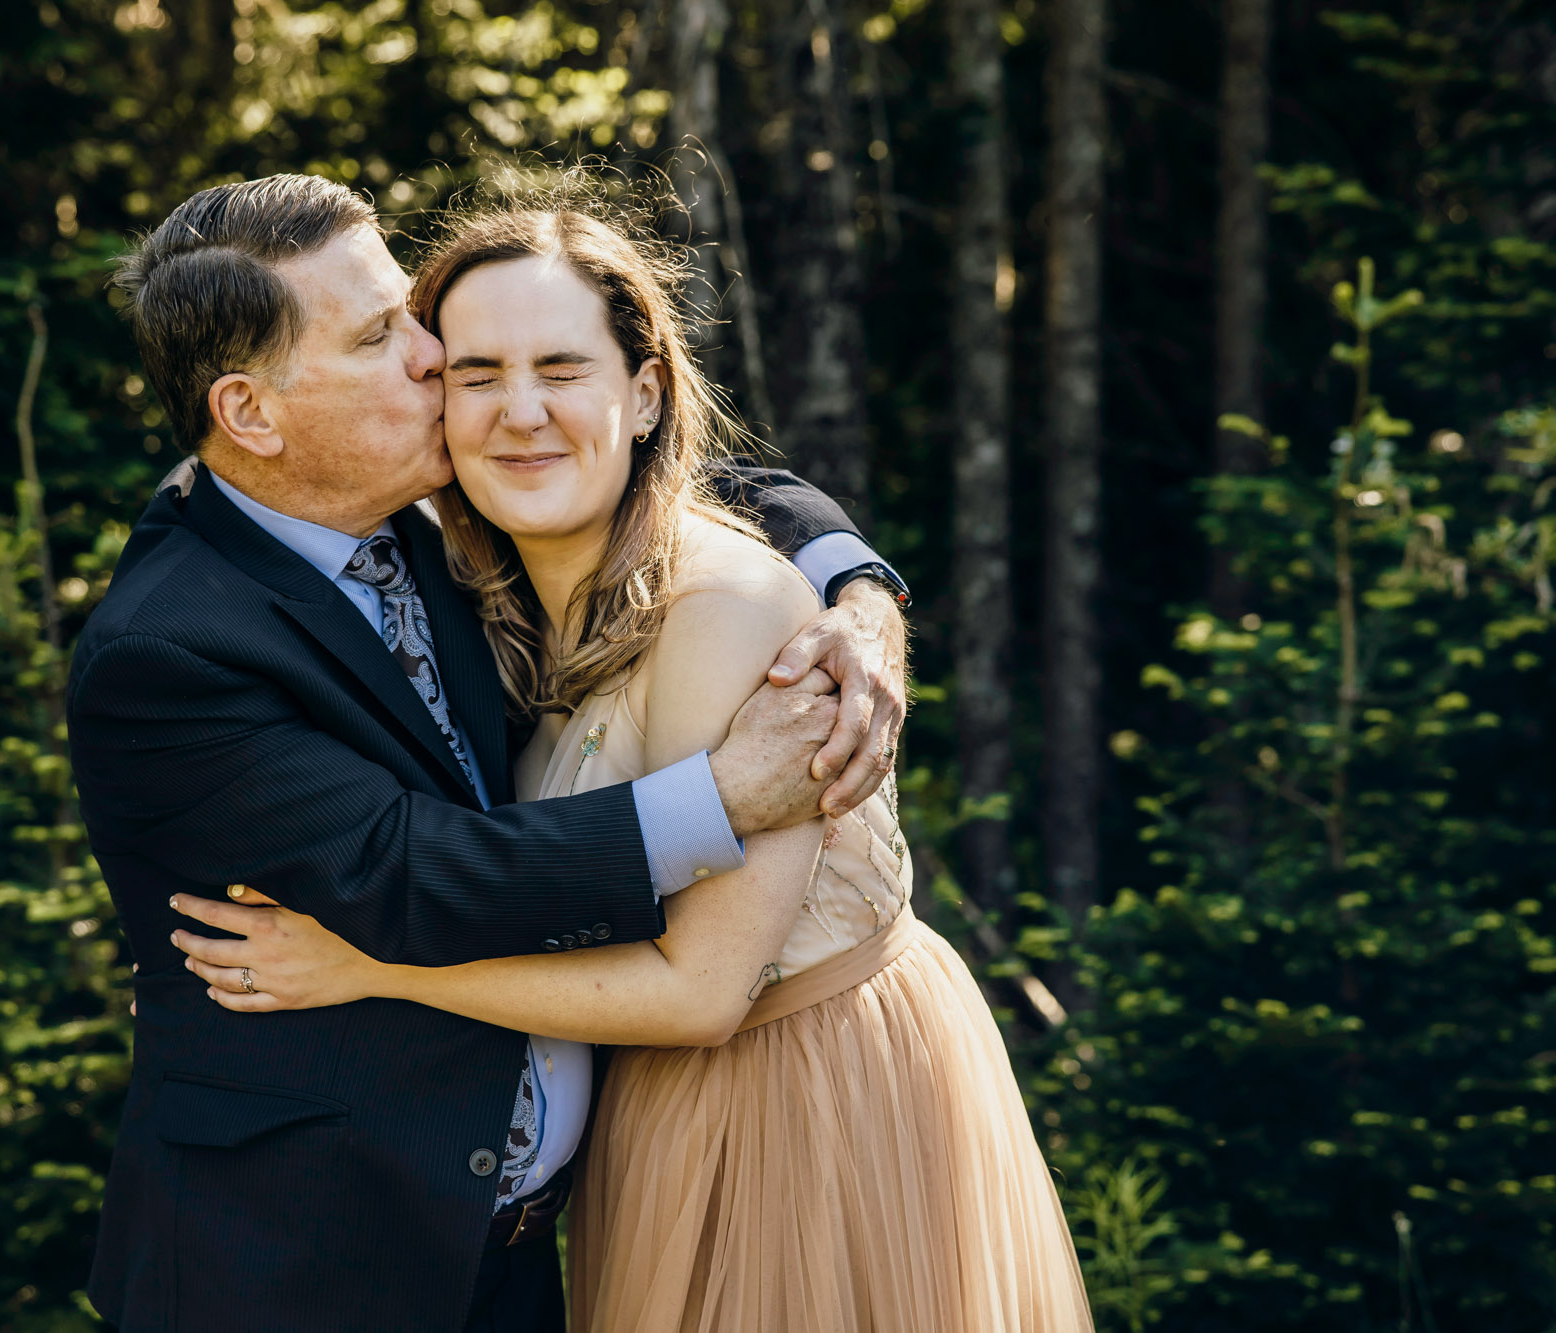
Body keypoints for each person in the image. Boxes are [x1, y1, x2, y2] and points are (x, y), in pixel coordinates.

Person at [170, 195, 1094, 1331]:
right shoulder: (463, 575)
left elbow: (703, 990)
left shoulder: (732, 612)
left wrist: (366, 966)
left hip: (810, 1114)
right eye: (474, 373)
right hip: (644, 1126)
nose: (520, 414)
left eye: (563, 367)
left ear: (645, 391)